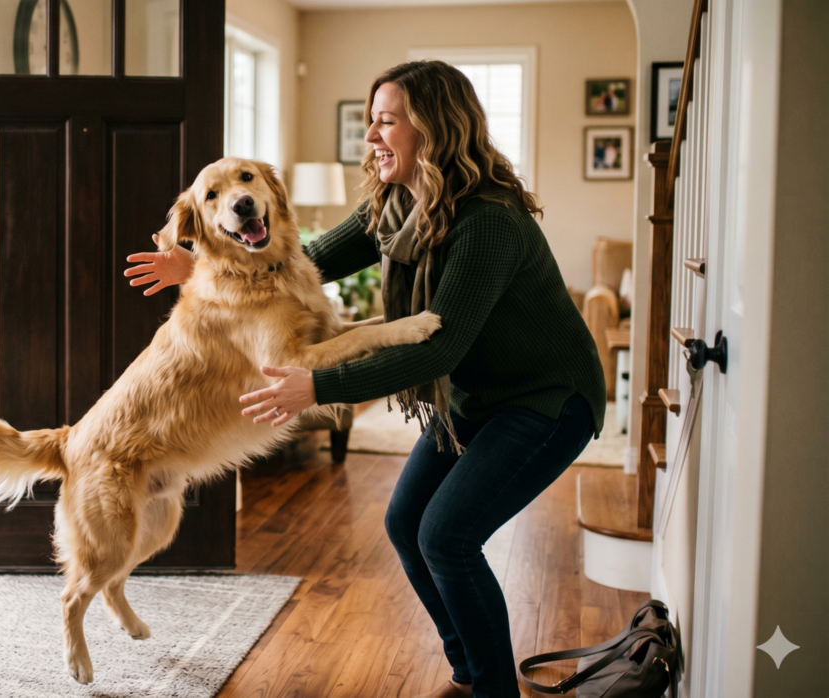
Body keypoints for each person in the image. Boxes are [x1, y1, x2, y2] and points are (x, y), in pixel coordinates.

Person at [126, 61, 606, 698]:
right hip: (476, 394)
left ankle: (492, 690)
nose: (372, 136)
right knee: (409, 523)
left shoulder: (489, 220)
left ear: (434, 128)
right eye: (370, 121)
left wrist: (317, 387)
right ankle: (470, 672)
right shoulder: (396, 201)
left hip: (548, 399)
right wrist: (208, 263)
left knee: (448, 536)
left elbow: (439, 348)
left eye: (387, 121)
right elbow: (306, 262)